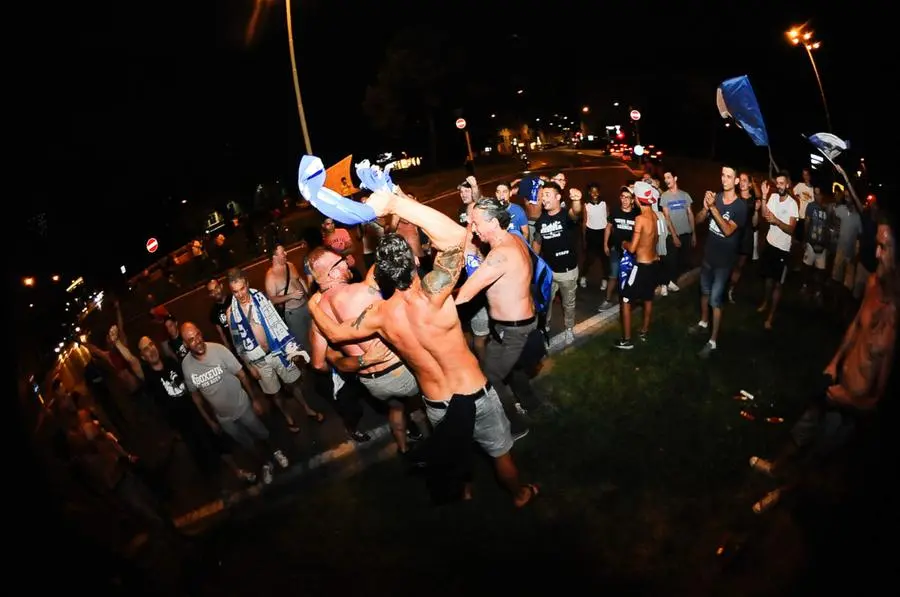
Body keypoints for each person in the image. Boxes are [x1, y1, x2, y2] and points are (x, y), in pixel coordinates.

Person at [308, 188, 538, 507]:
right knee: (500, 452)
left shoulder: (379, 316)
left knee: (456, 449)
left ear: (381, 277)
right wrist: (397, 203)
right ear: (416, 261)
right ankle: (519, 493)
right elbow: (456, 239)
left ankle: (465, 491)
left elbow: (335, 332)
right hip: (474, 392)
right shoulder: (437, 293)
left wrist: (315, 303)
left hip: (437, 402)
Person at [748, 215, 896, 513]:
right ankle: (776, 467)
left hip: (851, 405)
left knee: (817, 455)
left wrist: (853, 399)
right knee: (802, 427)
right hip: (836, 380)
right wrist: (834, 363)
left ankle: (784, 493)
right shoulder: (873, 284)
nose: (876, 254)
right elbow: (855, 328)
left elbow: (883, 400)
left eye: (884, 247)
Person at [305, 246, 425, 450]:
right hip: (401, 372)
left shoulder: (319, 318)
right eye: (340, 261)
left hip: (373, 384)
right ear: (332, 273)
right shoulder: (362, 292)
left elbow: (317, 364)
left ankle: (404, 449)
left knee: (395, 408)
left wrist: (357, 362)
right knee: (429, 402)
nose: (346, 262)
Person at [455, 197, 541, 432]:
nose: (472, 229)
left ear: (492, 222)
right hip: (514, 326)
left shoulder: (499, 255)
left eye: (475, 223)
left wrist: (432, 307)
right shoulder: (512, 238)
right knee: (512, 371)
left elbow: (464, 296)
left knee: (490, 379)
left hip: (514, 330)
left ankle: (516, 426)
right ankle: (533, 405)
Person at [180, 322, 289, 485]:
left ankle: (276, 451)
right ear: (185, 344)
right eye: (191, 339)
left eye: (198, 335)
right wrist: (209, 421)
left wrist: (254, 400)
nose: (197, 341)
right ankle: (266, 463)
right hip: (224, 418)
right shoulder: (186, 366)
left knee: (262, 433)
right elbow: (195, 396)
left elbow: (242, 375)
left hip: (242, 406)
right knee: (247, 444)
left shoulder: (219, 350)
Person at [689, 166, 749, 358]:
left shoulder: (740, 207)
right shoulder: (715, 198)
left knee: (716, 299)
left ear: (737, 181)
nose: (724, 180)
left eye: (729, 177)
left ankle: (713, 341)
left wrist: (713, 207)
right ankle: (703, 323)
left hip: (724, 263)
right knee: (704, 292)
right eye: (722, 175)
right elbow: (698, 221)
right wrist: (705, 207)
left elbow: (728, 230)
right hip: (708, 257)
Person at [615, 182, 660, 349]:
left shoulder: (640, 219)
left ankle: (626, 340)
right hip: (654, 264)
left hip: (641, 266)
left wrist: (624, 243)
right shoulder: (655, 216)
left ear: (638, 201)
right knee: (648, 298)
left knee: (626, 300)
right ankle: (644, 331)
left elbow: (633, 247)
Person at [758, 172, 799, 330]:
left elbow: (791, 229)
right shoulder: (773, 197)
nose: (780, 186)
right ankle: (765, 302)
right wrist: (763, 196)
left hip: (783, 250)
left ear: (787, 184)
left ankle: (771, 315)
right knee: (768, 279)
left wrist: (776, 221)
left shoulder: (792, 204)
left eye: (782, 183)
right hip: (770, 245)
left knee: (778, 285)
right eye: (778, 183)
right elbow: (763, 214)